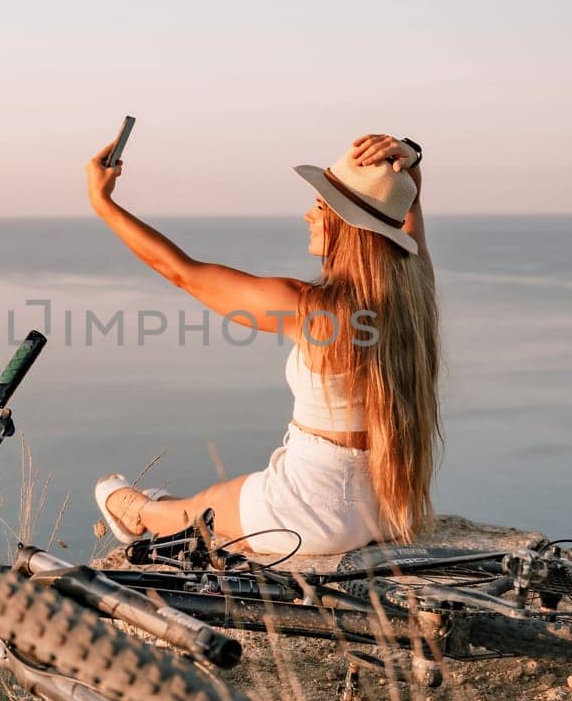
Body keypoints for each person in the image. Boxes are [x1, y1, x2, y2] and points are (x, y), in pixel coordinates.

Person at [86, 133, 439, 555]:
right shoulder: (413, 295)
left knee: (202, 510)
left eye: (322, 207)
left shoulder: (311, 311)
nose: (309, 215)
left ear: (349, 229)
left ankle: (139, 513)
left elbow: (182, 272)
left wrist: (102, 203)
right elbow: (408, 229)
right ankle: (155, 507)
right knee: (229, 493)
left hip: (311, 512)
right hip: (386, 509)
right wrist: (408, 174)